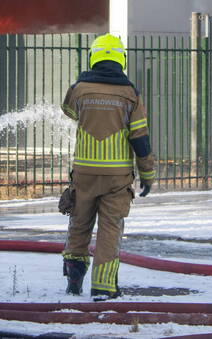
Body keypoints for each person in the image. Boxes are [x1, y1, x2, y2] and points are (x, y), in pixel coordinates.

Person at [61, 33, 154, 300]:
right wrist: (148, 174)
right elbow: (140, 138)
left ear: (94, 57)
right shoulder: (130, 94)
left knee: (79, 224)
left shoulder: (79, 88)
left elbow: (69, 112)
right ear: (121, 59)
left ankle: (74, 279)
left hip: (84, 174)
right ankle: (103, 287)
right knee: (110, 228)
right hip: (117, 178)